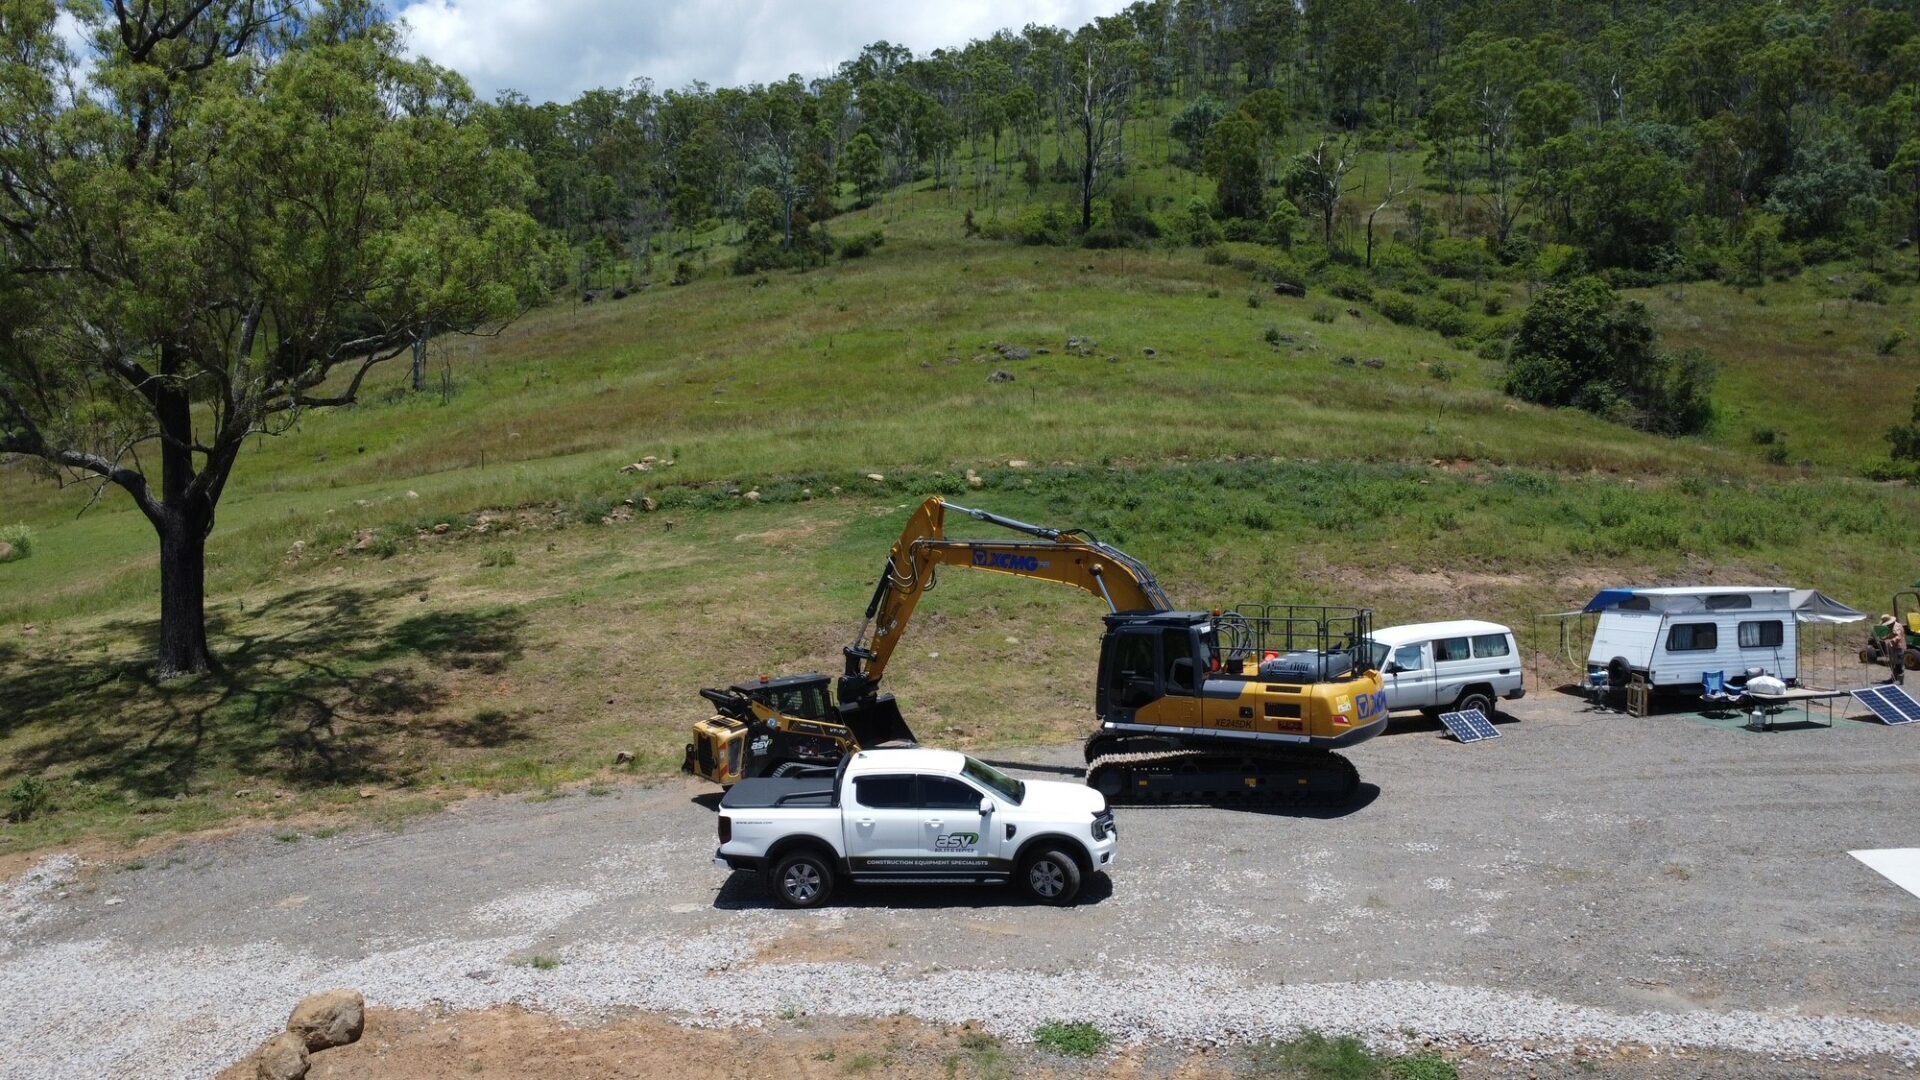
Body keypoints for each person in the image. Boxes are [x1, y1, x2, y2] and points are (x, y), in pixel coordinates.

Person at [1882, 614, 1907, 685]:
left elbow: (1898, 637)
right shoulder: (1891, 626)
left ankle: (1899, 679)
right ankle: (1894, 678)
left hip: (1899, 647)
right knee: (1895, 663)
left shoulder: (1897, 626)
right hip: (1894, 647)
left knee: (1899, 664)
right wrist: (1884, 638)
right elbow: (1891, 635)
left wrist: (1890, 641)